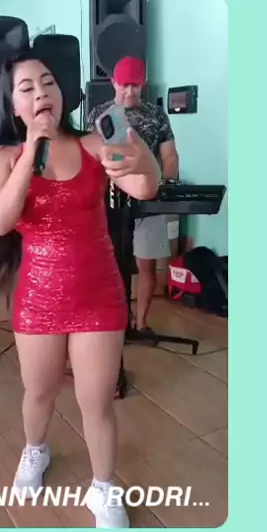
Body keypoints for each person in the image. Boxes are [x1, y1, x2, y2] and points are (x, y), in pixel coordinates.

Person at [0, 49, 160, 529]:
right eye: (27, 88)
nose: (41, 92)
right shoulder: (5, 159)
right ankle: (35, 449)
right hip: (38, 298)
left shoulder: (94, 144)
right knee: (38, 393)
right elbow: (1, 221)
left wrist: (144, 159)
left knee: (96, 402)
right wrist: (31, 150)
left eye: (48, 82)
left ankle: (104, 487)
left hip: (99, 295)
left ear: (62, 93)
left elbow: (145, 187)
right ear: (13, 105)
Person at [87, 56, 179, 335]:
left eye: (135, 86)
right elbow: (90, 158)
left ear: (144, 84)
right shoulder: (100, 114)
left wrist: (166, 184)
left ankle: (141, 323)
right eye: (124, 85)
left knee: (146, 264)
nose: (129, 92)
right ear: (113, 83)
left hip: (149, 199)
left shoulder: (157, 115)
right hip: (110, 201)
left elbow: (169, 155)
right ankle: (113, 323)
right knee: (108, 265)